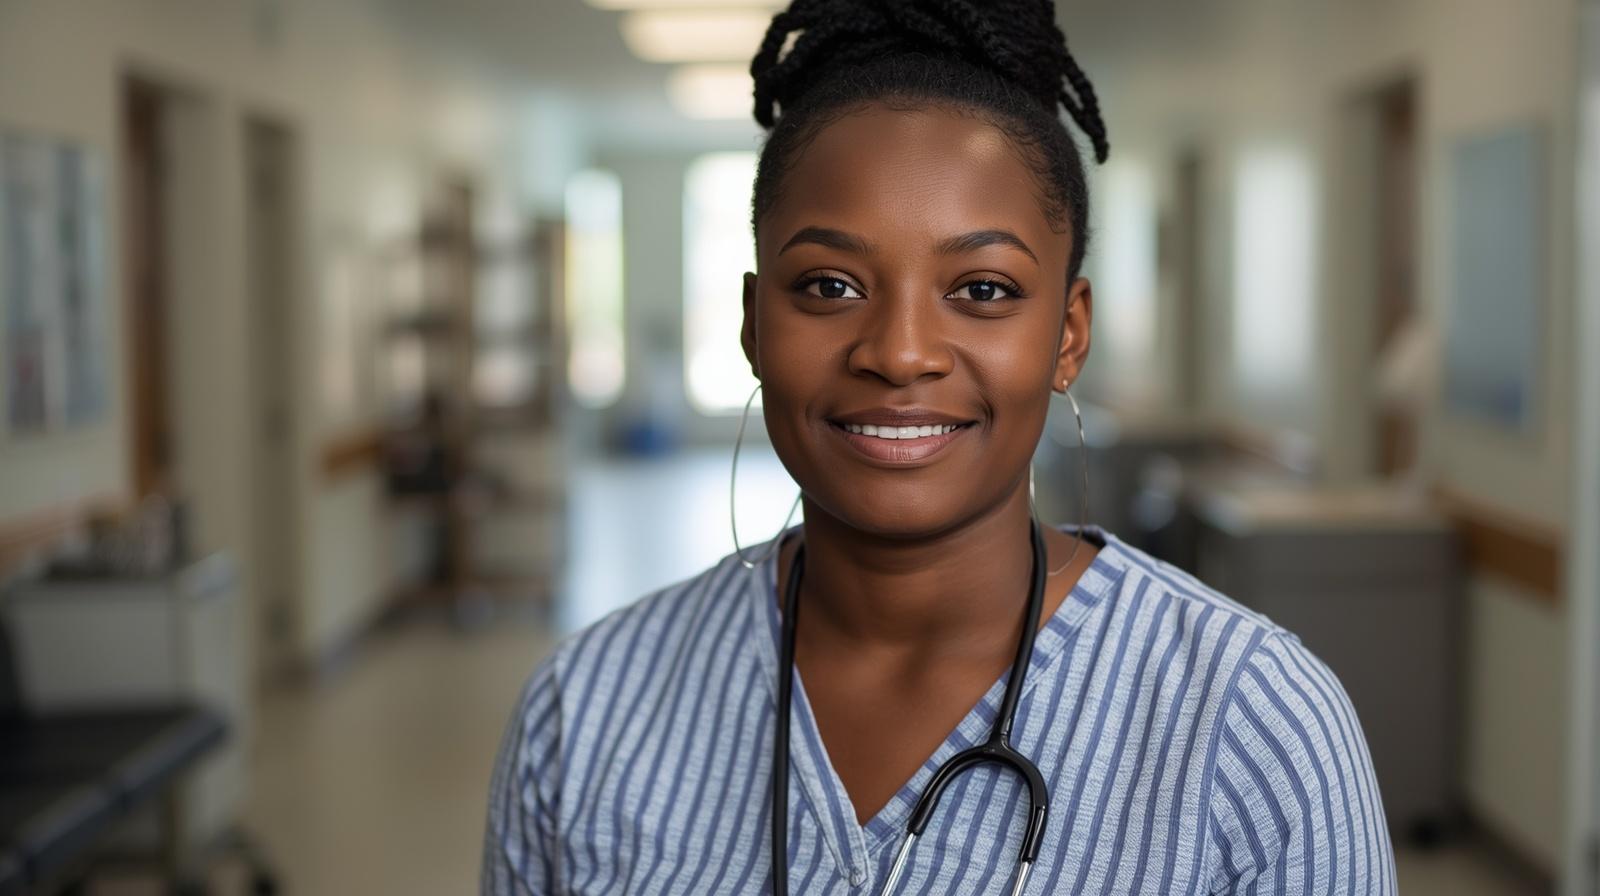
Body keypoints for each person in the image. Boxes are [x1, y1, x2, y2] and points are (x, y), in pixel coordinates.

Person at [483, 0, 1396, 892]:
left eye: (985, 289)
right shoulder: (583, 716)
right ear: (755, 324)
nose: (900, 352)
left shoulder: (1254, 727)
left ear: (1068, 337)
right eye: (831, 284)